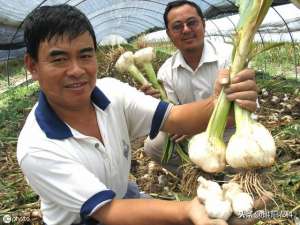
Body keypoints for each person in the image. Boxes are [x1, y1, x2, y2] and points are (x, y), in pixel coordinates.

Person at [17, 4, 259, 225]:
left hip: (121, 195)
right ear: (32, 66)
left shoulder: (111, 92)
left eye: (85, 55)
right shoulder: (36, 148)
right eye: (59, 59)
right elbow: (107, 211)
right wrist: (187, 211)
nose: (77, 70)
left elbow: (176, 118)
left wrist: (220, 101)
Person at [143, 0, 237, 173]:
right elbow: (174, 112)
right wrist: (152, 104)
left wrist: (192, 125)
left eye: (192, 23)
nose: (186, 30)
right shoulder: (166, 71)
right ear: (169, 34)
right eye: (177, 26)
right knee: (153, 145)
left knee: (241, 155)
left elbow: (240, 110)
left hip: (229, 128)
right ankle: (195, 175)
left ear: (203, 24)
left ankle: (227, 175)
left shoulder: (228, 57)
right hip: (191, 131)